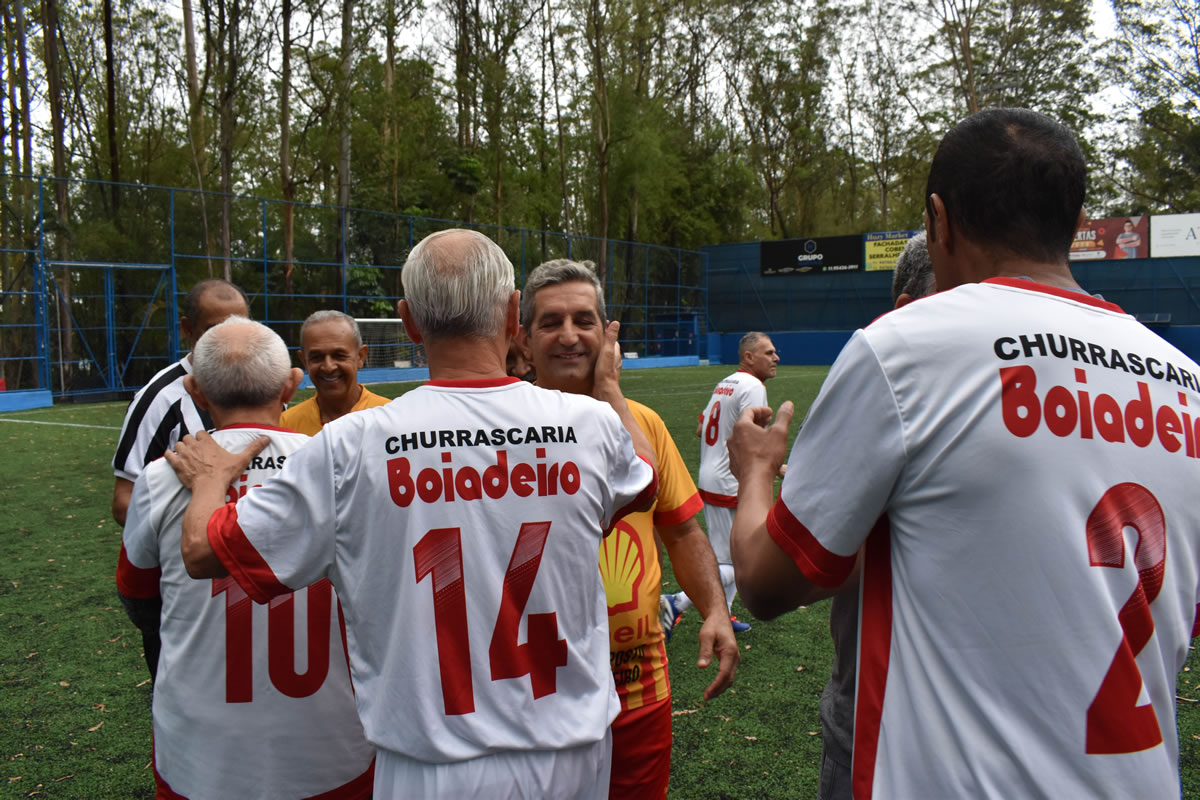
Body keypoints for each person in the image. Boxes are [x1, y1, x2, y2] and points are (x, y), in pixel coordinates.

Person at [729, 108, 1200, 799]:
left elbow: (767, 585)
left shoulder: (905, 348)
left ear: (938, 221)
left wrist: (755, 471)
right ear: (1076, 223)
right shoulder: (1186, 382)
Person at [164, 228, 658, 799]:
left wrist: (210, 480)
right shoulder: (589, 426)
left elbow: (203, 552)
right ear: (512, 314)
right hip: (576, 755)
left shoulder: (350, 445)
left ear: (408, 322)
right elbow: (643, 480)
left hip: (434, 767)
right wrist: (609, 389)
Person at [116, 316, 375, 799]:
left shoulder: (159, 478)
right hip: (332, 745)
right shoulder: (341, 467)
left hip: (200, 755)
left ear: (196, 391)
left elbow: (138, 599)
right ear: (291, 384)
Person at [517, 259, 739, 800]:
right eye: (550, 322)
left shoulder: (646, 424)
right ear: (523, 341)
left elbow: (683, 533)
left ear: (607, 333)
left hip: (638, 685)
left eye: (584, 320)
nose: (569, 335)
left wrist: (715, 610)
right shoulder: (505, 431)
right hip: (536, 691)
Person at [817, 232, 935, 800]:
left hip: (890, 736)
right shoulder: (1171, 377)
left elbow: (779, 578)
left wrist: (758, 470)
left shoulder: (885, 364)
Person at [111, 277, 248, 681]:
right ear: (188, 329)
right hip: (185, 585)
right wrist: (189, 528)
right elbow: (123, 500)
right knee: (182, 692)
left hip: (248, 571)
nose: (229, 340)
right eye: (214, 330)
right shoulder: (160, 398)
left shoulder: (259, 385)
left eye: (239, 327)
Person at [665, 332, 780, 633]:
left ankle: (723, 615)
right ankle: (676, 602)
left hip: (711, 476)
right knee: (744, 560)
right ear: (749, 357)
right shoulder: (753, 387)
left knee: (725, 555)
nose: (776, 358)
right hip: (731, 480)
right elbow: (752, 440)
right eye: (769, 353)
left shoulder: (725, 382)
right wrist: (776, 467)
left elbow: (701, 427)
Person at [280, 310, 391, 434]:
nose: (328, 367)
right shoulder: (286, 426)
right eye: (316, 357)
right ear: (304, 361)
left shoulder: (391, 417)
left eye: (339, 355)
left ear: (360, 357)